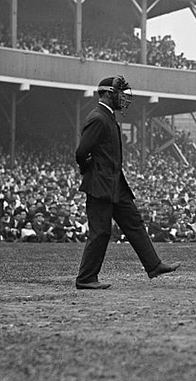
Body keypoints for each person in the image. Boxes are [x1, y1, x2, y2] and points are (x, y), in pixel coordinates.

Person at [74, 75, 180, 290]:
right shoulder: (98, 117)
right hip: (101, 185)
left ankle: (154, 265)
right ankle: (86, 279)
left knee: (134, 223)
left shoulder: (107, 116)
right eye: (119, 93)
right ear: (108, 93)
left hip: (115, 184)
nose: (123, 98)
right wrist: (91, 172)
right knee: (101, 231)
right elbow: (81, 152)